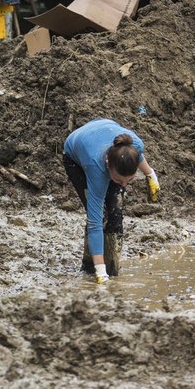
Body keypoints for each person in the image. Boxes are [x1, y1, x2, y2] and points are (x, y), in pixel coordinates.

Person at [63, 118, 160, 284]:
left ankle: (113, 267)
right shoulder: (96, 168)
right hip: (75, 156)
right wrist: (101, 273)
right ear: (108, 165)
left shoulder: (134, 144)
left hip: (105, 129)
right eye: (118, 180)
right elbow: (94, 222)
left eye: (129, 181)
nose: (124, 185)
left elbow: (138, 156)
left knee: (115, 214)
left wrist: (150, 175)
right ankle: (91, 266)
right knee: (100, 216)